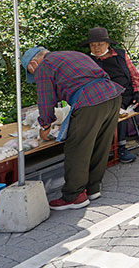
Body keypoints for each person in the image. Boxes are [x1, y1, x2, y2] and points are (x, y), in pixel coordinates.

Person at [22, 46, 123, 210]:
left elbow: (46, 100)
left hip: (89, 100)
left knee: (77, 148)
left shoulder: (43, 67)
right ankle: (93, 188)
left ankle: (74, 196)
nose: (34, 75)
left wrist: (45, 124)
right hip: (112, 95)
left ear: (33, 64)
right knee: (100, 144)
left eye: (30, 72)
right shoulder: (72, 53)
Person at [86, 27, 139, 159]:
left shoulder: (120, 54)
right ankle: (120, 149)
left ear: (107, 44)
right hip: (111, 98)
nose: (96, 48)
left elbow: (134, 74)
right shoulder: (89, 61)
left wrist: (137, 91)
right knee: (120, 113)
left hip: (129, 93)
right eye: (92, 45)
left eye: (100, 44)